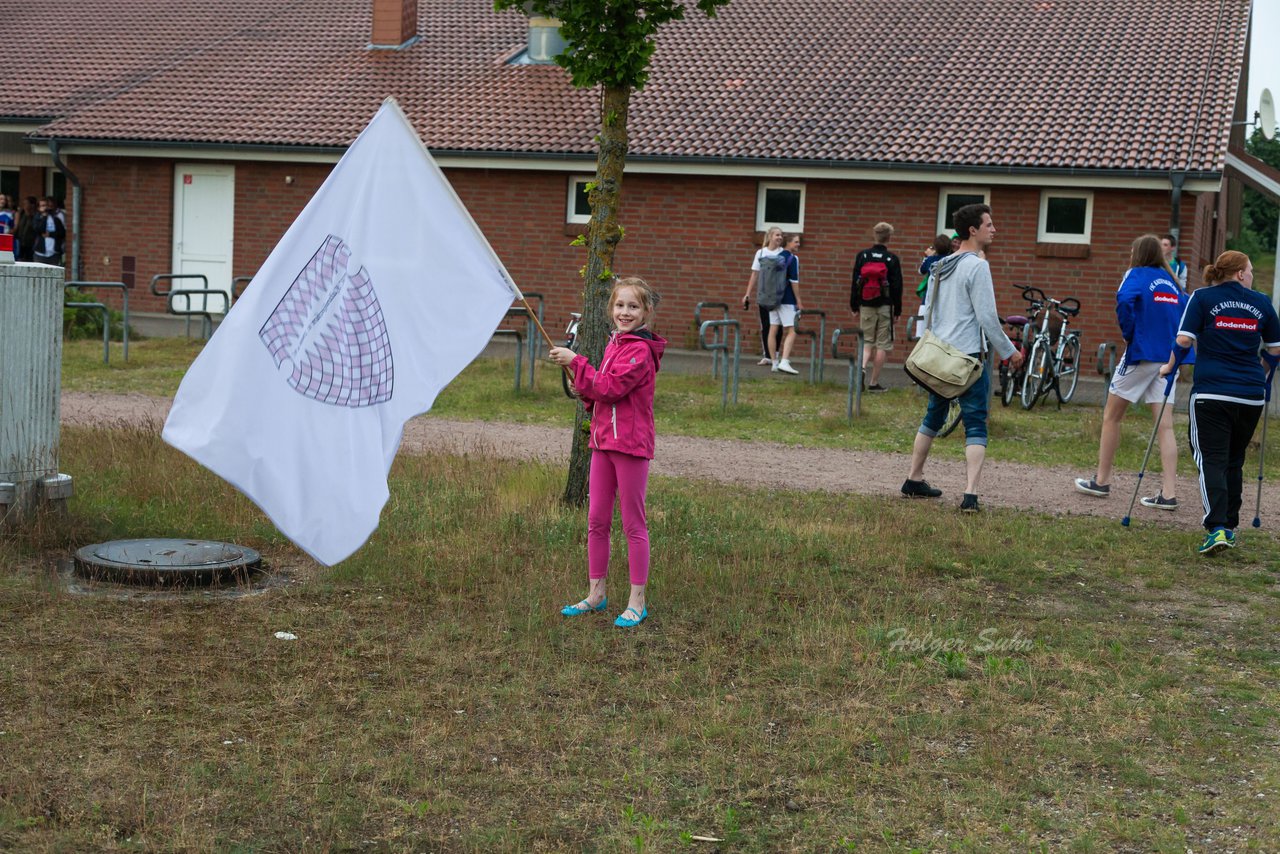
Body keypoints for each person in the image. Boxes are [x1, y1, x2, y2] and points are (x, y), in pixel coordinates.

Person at [549, 277, 667, 627]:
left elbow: (612, 388)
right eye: (619, 306)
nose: (625, 312)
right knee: (596, 521)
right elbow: (600, 393)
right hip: (602, 443)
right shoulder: (615, 343)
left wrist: (578, 363)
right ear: (611, 309)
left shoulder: (640, 350)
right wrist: (582, 386)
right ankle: (596, 593)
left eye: (633, 306)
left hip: (630, 447)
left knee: (633, 524)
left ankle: (637, 601)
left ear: (646, 311)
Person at [901, 204, 1022, 512]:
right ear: (973, 230)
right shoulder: (977, 266)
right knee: (976, 423)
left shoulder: (940, 266)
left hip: (940, 358)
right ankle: (970, 494)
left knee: (933, 416)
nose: (994, 230)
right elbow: (987, 318)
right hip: (968, 359)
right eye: (989, 225)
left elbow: (930, 312)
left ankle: (913, 478)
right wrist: (1010, 351)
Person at [1160, 250, 1280, 555]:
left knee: (1211, 459)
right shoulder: (1263, 303)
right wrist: (1261, 375)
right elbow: (1276, 351)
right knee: (1233, 460)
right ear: (1240, 273)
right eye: (1250, 270)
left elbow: (1184, 340)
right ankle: (1229, 524)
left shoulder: (1201, 298)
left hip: (1212, 392)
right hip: (1250, 394)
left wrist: (1168, 367)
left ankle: (1217, 528)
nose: (1252, 275)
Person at [1075, 235, 1190, 509]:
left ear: (1137, 253)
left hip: (1141, 354)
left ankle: (1101, 481)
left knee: (1112, 416)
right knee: (1165, 425)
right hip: (1169, 358)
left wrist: (1129, 334)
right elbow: (1186, 310)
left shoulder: (1134, 274)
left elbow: (1124, 300)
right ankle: (1169, 493)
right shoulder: (1173, 283)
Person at [850, 222, 903, 390]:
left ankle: (862, 369)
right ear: (889, 237)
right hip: (885, 306)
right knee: (882, 345)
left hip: (865, 304)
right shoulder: (892, 259)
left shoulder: (862, 256)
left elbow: (855, 281)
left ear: (875, 235)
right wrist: (897, 309)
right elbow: (897, 286)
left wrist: (854, 305)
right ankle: (873, 382)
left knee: (866, 341)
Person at [741, 227, 801, 374]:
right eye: (777, 235)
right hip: (777, 297)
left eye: (781, 235)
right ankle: (777, 359)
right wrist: (747, 293)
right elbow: (755, 274)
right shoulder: (765, 254)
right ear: (770, 236)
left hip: (773, 297)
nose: (779, 237)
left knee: (774, 328)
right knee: (779, 328)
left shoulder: (779, 254)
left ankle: (775, 360)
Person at [32, 196, 65, 266]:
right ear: (39, 208)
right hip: (40, 253)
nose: (45, 208)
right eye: (43, 206)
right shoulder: (37, 218)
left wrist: (50, 234)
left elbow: (62, 233)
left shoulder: (55, 219)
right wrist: (44, 217)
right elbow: (39, 230)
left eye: (46, 205)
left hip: (53, 253)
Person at [13, 196, 38, 262]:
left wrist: (30, 216)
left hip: (31, 245)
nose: (24, 205)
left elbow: (35, 229)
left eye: (26, 203)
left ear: (32, 205)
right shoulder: (21, 214)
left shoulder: (36, 215)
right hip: (20, 243)